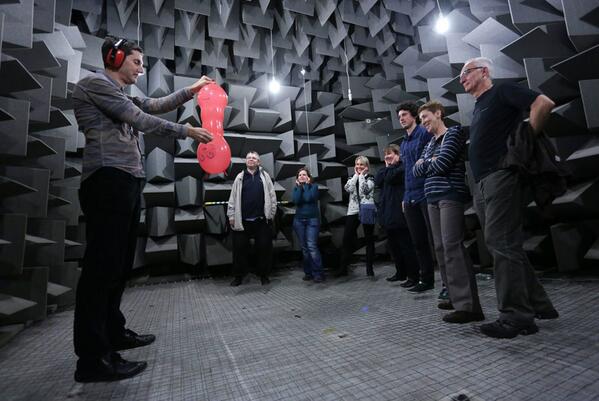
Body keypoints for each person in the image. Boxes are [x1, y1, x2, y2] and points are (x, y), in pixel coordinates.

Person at [72, 37, 214, 382]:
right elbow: (141, 119)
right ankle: (92, 359)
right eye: (136, 61)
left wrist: (192, 90)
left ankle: (113, 333)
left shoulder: (120, 93)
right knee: (101, 269)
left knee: (118, 266)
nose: (141, 68)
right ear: (115, 57)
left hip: (125, 182)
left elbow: (154, 104)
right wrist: (187, 131)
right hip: (107, 180)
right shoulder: (95, 84)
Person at [460, 57, 558, 338]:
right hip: (482, 183)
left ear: (484, 71)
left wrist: (524, 145)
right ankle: (540, 305)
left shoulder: (502, 92)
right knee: (507, 245)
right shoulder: (479, 105)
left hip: (501, 177)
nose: (462, 78)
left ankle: (516, 317)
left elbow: (544, 103)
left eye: (466, 72)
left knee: (500, 242)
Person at [413, 101, 484, 324]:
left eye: (425, 116)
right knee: (440, 248)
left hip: (449, 195)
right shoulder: (430, 143)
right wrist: (427, 162)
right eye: (421, 118)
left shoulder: (453, 134)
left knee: (452, 246)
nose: (423, 121)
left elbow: (442, 164)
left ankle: (468, 306)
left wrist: (427, 163)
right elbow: (416, 171)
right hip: (432, 198)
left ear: (438, 113)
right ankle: (454, 296)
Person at [397, 102, 437, 294]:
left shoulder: (424, 133)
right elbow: (406, 172)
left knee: (436, 239)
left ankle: (446, 282)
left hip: (426, 193)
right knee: (418, 241)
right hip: (410, 195)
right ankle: (426, 279)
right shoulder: (403, 143)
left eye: (404, 114)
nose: (401, 118)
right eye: (399, 116)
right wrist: (405, 197)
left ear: (413, 115)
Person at [227, 151, 277, 286]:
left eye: (254, 158)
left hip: (261, 220)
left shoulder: (265, 177)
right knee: (239, 251)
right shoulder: (240, 177)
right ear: (245, 161)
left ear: (258, 162)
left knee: (264, 249)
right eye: (249, 157)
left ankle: (264, 275)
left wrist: (271, 214)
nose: (251, 160)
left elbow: (272, 197)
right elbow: (232, 199)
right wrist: (231, 216)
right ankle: (238, 276)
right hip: (242, 220)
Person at [374, 144, 419, 284]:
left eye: (390, 154)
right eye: (385, 155)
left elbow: (391, 177)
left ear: (398, 155)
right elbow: (378, 180)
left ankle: (413, 276)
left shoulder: (402, 168)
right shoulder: (386, 170)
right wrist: (387, 168)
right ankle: (400, 273)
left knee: (406, 246)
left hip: (400, 214)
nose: (387, 157)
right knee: (394, 247)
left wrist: (388, 168)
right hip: (388, 214)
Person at [335, 156, 376, 277]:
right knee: (347, 239)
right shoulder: (352, 178)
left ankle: (369, 268)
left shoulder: (371, 178)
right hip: (353, 210)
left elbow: (365, 190)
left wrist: (362, 176)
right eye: (357, 164)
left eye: (361, 165)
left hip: (367, 209)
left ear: (366, 166)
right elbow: (348, 188)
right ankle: (343, 268)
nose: (359, 167)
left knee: (369, 239)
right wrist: (356, 176)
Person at [292, 167, 324, 283]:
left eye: (304, 174)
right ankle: (308, 272)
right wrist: (300, 187)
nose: (301, 176)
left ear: (309, 177)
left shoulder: (314, 187)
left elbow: (308, 197)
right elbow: (296, 200)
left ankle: (318, 273)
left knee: (312, 247)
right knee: (305, 249)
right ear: (297, 178)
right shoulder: (296, 189)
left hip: (312, 221)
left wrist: (305, 186)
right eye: (299, 175)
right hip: (299, 221)